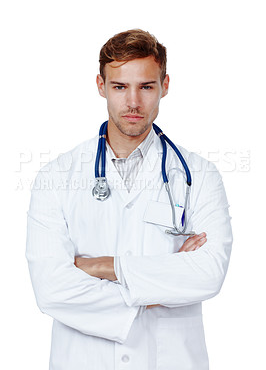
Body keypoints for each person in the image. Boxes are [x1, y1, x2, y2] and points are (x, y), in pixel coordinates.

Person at [26, 29, 233, 370]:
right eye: (120, 87)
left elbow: (208, 273)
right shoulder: (56, 177)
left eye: (146, 87)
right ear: (100, 86)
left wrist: (103, 267)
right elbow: (51, 289)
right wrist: (159, 288)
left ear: (165, 85)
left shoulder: (200, 176)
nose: (133, 102)